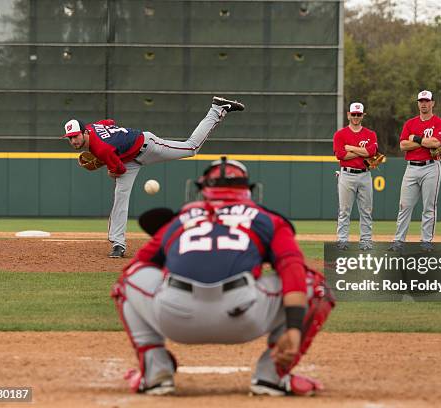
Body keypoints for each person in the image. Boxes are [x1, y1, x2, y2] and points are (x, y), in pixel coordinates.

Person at [110, 157, 335, 396]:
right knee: (315, 285)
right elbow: (292, 267)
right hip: (243, 315)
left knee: (127, 281)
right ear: (248, 190)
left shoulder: (181, 219)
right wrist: (293, 327)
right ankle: (273, 375)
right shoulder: (267, 219)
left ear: (204, 189)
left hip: (175, 315)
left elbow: (139, 265)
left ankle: (154, 372)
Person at [61, 96, 244, 258]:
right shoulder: (94, 127)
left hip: (148, 147)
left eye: (75, 136)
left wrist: (109, 167)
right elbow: (109, 122)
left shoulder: (102, 149)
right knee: (120, 197)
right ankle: (118, 244)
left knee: (191, 148)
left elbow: (118, 171)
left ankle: (217, 109)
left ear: (85, 132)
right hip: (128, 157)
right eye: (70, 138)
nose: (73, 141)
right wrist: (116, 140)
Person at [388, 90, 441, 253]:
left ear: (433, 103)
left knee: (429, 206)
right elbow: (403, 145)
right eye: (421, 101)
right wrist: (423, 142)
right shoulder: (410, 123)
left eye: (427, 101)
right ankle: (399, 240)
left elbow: (436, 143)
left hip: (431, 166)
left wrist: (415, 138)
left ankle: (426, 241)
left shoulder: (439, 123)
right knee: (404, 205)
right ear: (418, 103)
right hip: (411, 167)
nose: (424, 104)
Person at [332, 102, 378, 251]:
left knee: (366, 210)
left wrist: (351, 148)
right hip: (346, 174)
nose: (356, 117)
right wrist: (362, 151)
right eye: (354, 114)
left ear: (363, 115)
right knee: (344, 210)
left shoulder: (370, 134)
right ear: (348, 115)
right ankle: (342, 240)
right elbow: (341, 155)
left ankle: (365, 240)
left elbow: (372, 153)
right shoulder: (340, 134)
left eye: (359, 114)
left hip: (365, 174)